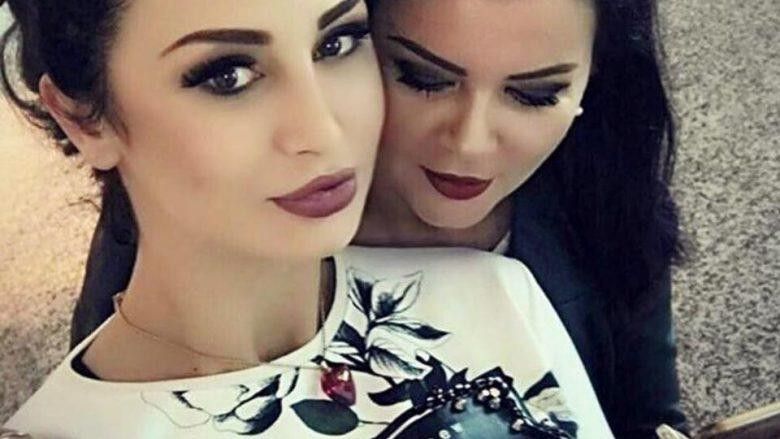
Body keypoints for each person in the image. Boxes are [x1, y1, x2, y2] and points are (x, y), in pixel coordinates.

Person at [68, 0, 689, 437]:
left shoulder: (603, 200)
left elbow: (645, 414)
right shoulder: (191, 228)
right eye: (422, 77)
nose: (471, 143)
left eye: (535, 93)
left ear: (593, 79)